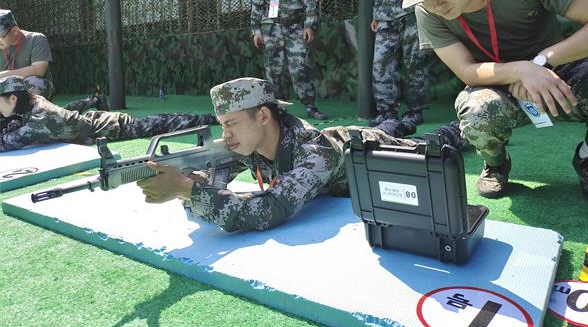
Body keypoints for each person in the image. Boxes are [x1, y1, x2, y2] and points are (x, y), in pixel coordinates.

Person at [397, 0, 588, 201]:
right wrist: (521, 70)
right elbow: (466, 70)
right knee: (476, 111)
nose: (436, 4)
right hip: (497, 86)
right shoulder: (428, 12)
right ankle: (495, 163)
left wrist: (541, 62)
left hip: (557, 74)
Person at [137, 77, 466, 232]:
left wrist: (187, 190)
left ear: (263, 116)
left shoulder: (314, 152)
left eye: (232, 124)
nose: (226, 135)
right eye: (222, 125)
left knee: (436, 144)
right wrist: (194, 180)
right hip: (340, 144)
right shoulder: (247, 144)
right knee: (394, 125)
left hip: (370, 150)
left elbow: (271, 209)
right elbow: (214, 180)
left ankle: (455, 128)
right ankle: (398, 122)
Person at [0, 76, 217, 152]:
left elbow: (8, 142)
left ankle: (208, 119)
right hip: (89, 123)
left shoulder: (39, 118)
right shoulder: (31, 102)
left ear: (13, 98)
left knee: (162, 123)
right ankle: (94, 101)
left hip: (111, 127)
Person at [250, 0, 327, 121]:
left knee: (300, 68)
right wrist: (256, 30)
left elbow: (310, 2)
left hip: (295, 28)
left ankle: (310, 106)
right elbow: (257, 5)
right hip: (271, 30)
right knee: (273, 71)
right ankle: (278, 109)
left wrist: (309, 25)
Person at [0, 9, 108, 112]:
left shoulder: (36, 39)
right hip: (7, 93)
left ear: (14, 30)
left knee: (33, 84)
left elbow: (38, 70)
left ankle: (93, 101)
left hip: (34, 90)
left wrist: (4, 75)